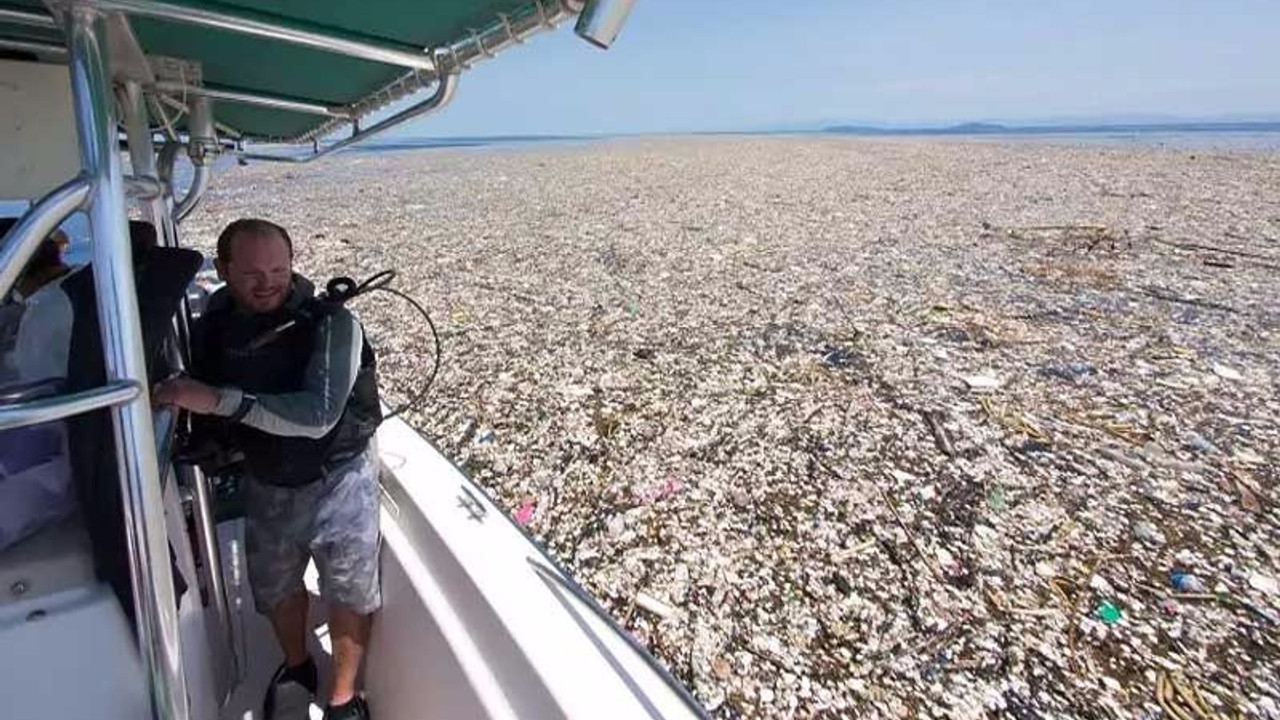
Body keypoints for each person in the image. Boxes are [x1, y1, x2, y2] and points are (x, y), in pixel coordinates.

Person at [154, 218, 382, 720]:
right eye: (252, 272)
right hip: (266, 475)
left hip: (339, 477)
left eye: (279, 269)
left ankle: (344, 698)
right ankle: (298, 665)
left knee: (349, 589)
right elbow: (204, 373)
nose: (268, 282)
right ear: (223, 270)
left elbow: (318, 416)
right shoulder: (217, 322)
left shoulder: (332, 324)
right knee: (275, 585)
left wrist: (218, 402)